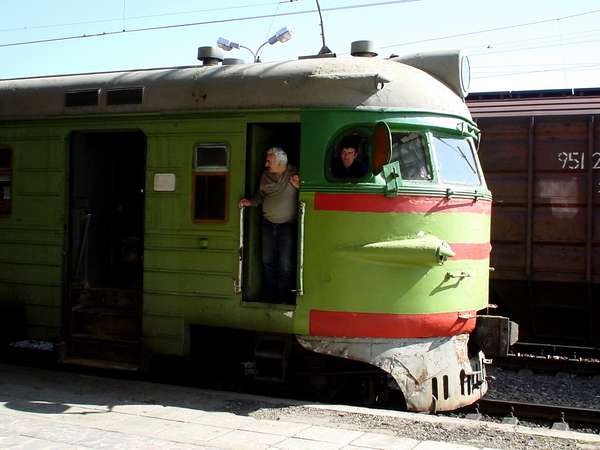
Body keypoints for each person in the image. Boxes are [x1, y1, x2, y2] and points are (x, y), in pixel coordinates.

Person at [239, 147, 300, 302]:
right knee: (267, 260)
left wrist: (300, 188)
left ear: (280, 163)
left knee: (285, 263)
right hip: (267, 224)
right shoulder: (265, 175)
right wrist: (251, 202)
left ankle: (284, 296)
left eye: (269, 161)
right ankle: (271, 294)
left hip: (287, 226)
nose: (266, 164)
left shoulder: (295, 174)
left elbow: (307, 194)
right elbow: (260, 195)